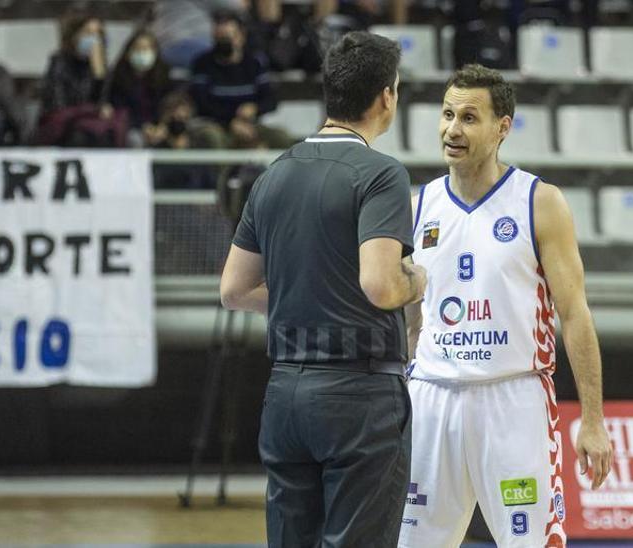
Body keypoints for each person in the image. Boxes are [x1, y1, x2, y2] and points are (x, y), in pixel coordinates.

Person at [219, 31, 424, 547]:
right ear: (386, 96)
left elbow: (234, 290)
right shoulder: (381, 175)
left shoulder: (274, 174)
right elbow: (380, 284)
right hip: (359, 395)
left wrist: (304, 292)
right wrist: (416, 281)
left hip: (286, 392)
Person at [399, 64, 611, 547]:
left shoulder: (540, 201)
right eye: (448, 114)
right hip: (432, 400)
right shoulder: (418, 206)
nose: (453, 129)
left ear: (502, 127)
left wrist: (593, 421)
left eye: (469, 118)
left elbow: (575, 314)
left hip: (513, 401)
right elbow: (412, 312)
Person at [189, 11, 290, 149]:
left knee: (281, 137)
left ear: (241, 37)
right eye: (219, 38)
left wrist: (255, 108)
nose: (224, 42)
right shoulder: (202, 64)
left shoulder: (254, 63)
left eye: (228, 37)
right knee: (212, 138)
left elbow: (271, 100)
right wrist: (231, 121)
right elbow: (201, 104)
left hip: (250, 124)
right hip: (217, 125)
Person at [36, 15, 128, 147]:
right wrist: (91, 110)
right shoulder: (59, 62)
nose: (94, 39)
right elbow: (59, 105)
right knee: (81, 136)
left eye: (98, 34)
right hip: (64, 126)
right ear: (75, 36)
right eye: (88, 33)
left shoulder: (103, 68)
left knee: (107, 133)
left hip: (92, 125)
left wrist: (99, 76)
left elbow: (103, 104)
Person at [107, 30, 175, 148]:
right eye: (138, 49)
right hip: (131, 127)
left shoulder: (165, 76)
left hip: (159, 127)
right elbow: (120, 110)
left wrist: (163, 126)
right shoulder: (117, 77)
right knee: (135, 139)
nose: (142, 53)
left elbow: (169, 105)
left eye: (147, 49)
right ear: (128, 53)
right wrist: (142, 127)